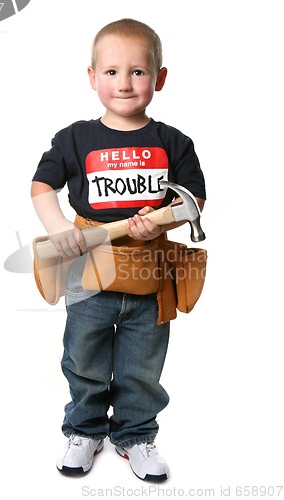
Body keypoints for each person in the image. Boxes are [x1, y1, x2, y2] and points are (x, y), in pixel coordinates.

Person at [31, 18, 206, 482]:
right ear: (91, 77)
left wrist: (166, 218)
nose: (124, 84)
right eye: (111, 72)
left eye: (138, 72)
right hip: (89, 273)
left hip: (150, 275)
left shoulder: (173, 142)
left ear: (159, 78)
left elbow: (194, 199)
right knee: (83, 357)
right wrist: (59, 226)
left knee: (143, 365)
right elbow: (41, 185)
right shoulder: (76, 138)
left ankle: (136, 435)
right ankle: (85, 430)